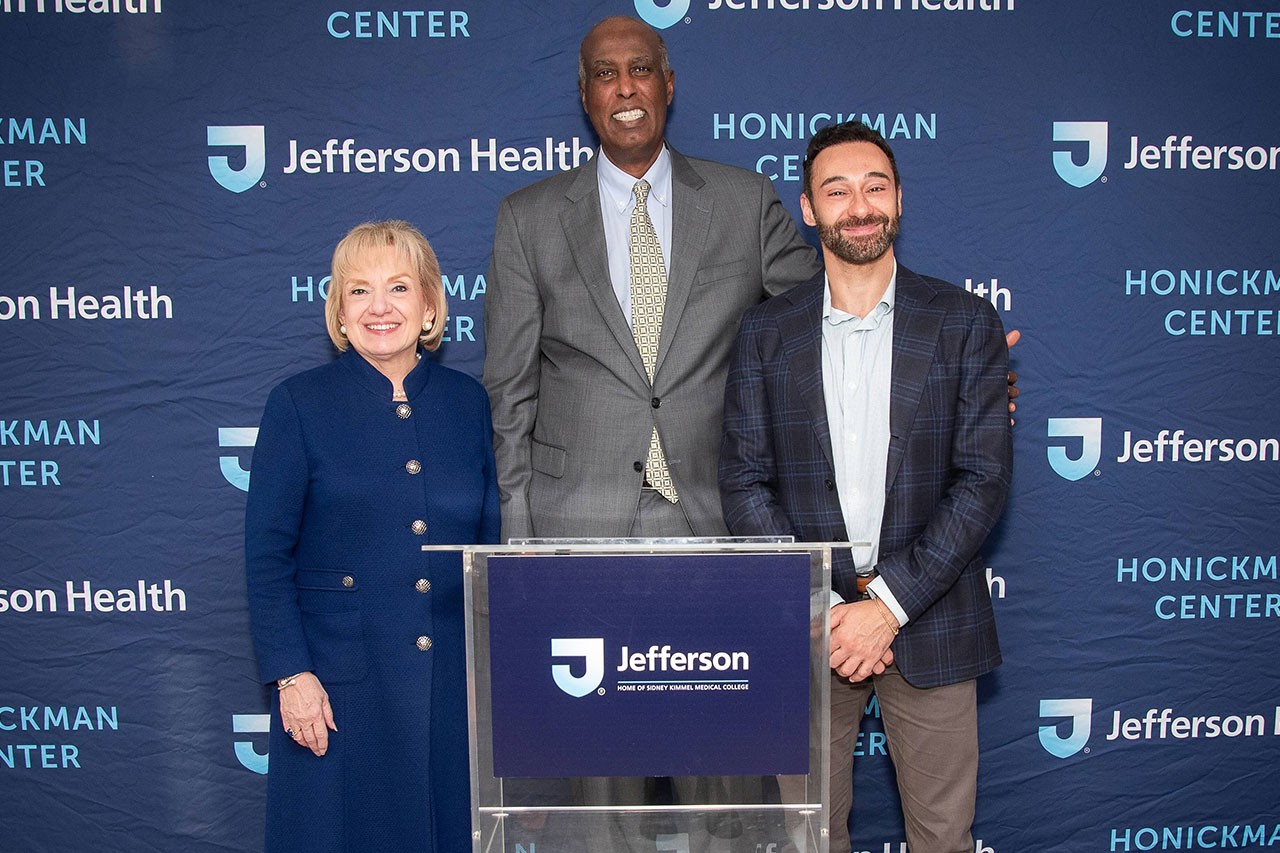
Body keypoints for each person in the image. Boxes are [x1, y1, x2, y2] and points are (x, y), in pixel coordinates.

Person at [719, 121, 1013, 853]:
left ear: (899, 200)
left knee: (943, 838)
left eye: (875, 187)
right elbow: (745, 481)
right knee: (808, 838)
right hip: (808, 627)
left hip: (931, 617)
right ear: (809, 209)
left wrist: (884, 608)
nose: (859, 206)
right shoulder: (765, 331)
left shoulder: (964, 322)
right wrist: (826, 609)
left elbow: (981, 480)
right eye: (837, 190)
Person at [482, 15, 821, 543]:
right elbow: (510, 396)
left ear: (668, 84)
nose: (625, 87)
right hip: (573, 520)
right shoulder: (528, 218)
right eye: (605, 73)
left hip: (718, 512)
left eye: (640, 69)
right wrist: (518, 542)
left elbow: (828, 315)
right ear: (585, 95)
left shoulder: (745, 202)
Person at [245, 220, 499, 852]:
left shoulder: (467, 402)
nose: (379, 307)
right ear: (339, 311)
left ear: (430, 306)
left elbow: (488, 551)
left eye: (399, 288)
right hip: (337, 691)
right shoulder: (298, 404)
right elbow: (267, 555)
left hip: (450, 689)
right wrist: (291, 675)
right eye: (359, 290)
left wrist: (497, 689)